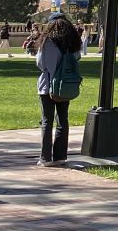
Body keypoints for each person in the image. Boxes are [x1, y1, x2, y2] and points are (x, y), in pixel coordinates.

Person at [36, 12, 84, 166]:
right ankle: (60, 156)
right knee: (63, 120)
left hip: (47, 86)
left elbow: (41, 63)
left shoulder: (48, 42)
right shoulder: (73, 43)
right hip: (66, 85)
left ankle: (45, 157)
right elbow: (77, 59)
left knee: (47, 121)